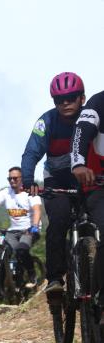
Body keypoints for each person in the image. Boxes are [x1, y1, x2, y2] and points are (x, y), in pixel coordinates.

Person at [22, 72, 86, 293]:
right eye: (59, 99)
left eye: (71, 98)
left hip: (87, 177)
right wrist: (28, 179)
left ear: (82, 98)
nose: (65, 103)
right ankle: (55, 280)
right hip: (56, 179)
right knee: (58, 220)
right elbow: (31, 152)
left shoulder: (92, 117)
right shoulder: (46, 121)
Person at [0, 167, 42, 288]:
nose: (12, 181)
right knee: (1, 252)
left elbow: (37, 210)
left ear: (22, 179)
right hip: (13, 231)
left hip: (29, 230)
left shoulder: (30, 192)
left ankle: (32, 274)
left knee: (21, 250)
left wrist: (35, 226)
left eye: (15, 178)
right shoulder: (6, 192)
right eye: (9, 178)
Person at [70, 87, 104, 298]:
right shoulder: (98, 102)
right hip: (97, 185)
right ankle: (101, 298)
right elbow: (81, 132)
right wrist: (78, 164)